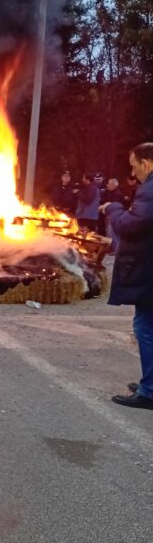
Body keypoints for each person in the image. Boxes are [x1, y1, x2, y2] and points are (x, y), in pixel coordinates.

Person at [99, 142, 153, 410]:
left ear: (147, 163)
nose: (134, 174)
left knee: (145, 328)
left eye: (135, 167)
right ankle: (149, 382)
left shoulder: (151, 190)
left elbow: (130, 226)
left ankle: (149, 391)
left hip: (149, 270)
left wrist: (113, 209)